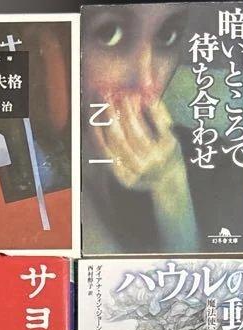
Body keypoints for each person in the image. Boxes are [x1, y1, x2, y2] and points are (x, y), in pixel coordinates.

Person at [82, 6, 211, 253]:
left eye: (167, 36)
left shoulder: (217, 166)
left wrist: (171, 189)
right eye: (110, 34)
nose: (146, 82)